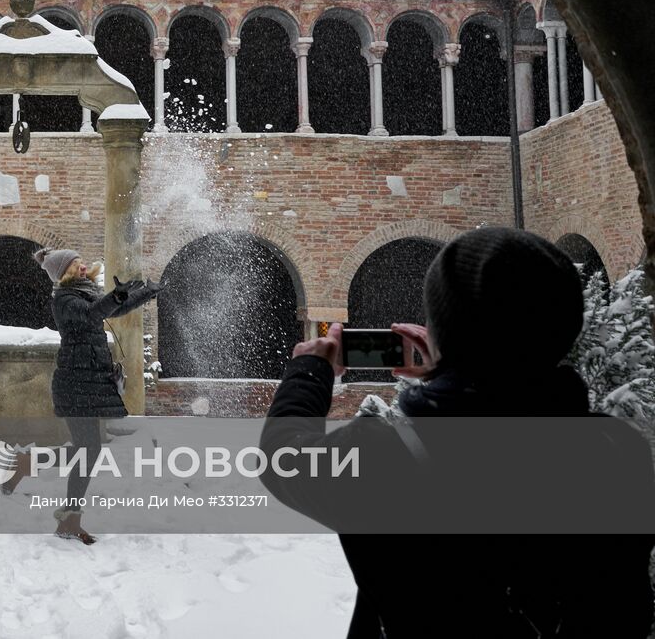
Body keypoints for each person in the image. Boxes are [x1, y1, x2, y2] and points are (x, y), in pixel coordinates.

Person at [262, 227, 655, 638]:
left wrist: (310, 369)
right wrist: (452, 370)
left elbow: (282, 458)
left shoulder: (384, 454)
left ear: (445, 328)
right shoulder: (615, 452)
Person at [1, 249, 159, 545]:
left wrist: (145, 293)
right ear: (64, 273)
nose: (83, 265)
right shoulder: (65, 301)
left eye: (81, 261)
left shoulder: (85, 295)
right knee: (88, 451)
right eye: (75, 264)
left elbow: (112, 310)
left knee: (87, 451)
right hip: (75, 384)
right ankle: (66, 517)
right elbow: (93, 314)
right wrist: (115, 296)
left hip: (88, 382)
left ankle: (31, 471)